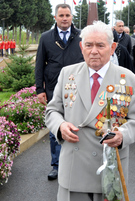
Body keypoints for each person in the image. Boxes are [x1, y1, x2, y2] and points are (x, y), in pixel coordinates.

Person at [45, 21, 135, 200]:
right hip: (73, 169)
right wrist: (60, 126)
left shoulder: (130, 80)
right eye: (88, 45)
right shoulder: (67, 73)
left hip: (109, 169)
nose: (94, 51)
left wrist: (122, 134)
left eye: (100, 45)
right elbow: (52, 111)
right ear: (81, 47)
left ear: (112, 47)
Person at [35, 3, 84, 181]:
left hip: (78, 88)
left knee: (77, 125)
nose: (65, 19)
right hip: (53, 89)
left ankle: (75, 163)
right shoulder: (46, 37)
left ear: (72, 17)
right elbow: (39, 64)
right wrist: (40, 89)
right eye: (61, 15)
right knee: (56, 126)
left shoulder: (81, 36)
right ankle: (56, 165)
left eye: (67, 15)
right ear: (55, 17)